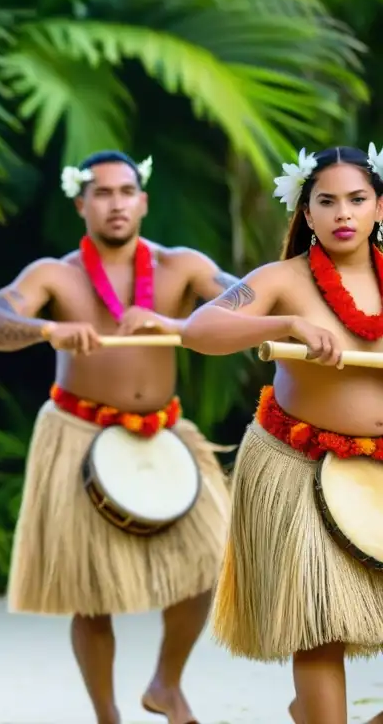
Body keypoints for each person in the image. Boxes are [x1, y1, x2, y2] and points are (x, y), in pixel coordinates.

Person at [0, 150, 233, 724]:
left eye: (126, 191)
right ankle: (106, 715)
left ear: (143, 201)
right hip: (78, 432)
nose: (116, 203)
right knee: (90, 593)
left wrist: (180, 325)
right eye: (102, 193)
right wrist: (46, 327)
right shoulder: (54, 275)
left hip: (164, 430)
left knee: (213, 561)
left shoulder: (180, 267)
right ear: (81, 203)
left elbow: (246, 303)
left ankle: (167, 683)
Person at [181, 145, 383, 724]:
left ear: (379, 209)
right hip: (300, 464)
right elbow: (200, 328)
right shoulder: (281, 280)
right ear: (308, 214)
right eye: (327, 201)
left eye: (356, 199)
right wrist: (285, 322)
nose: (343, 212)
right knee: (319, 626)